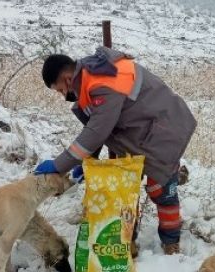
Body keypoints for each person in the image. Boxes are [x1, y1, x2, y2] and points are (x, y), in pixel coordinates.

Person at [34, 47, 197, 256]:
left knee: (163, 190)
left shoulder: (102, 83)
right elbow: (99, 124)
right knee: (126, 190)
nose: (63, 95)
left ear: (67, 79)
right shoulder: (92, 75)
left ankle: (171, 244)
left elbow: (97, 131)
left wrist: (59, 165)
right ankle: (128, 242)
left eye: (59, 90)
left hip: (165, 133)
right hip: (139, 132)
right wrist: (87, 161)